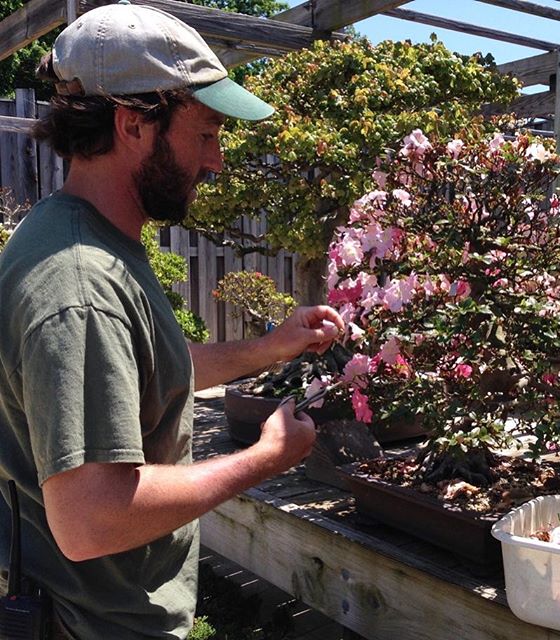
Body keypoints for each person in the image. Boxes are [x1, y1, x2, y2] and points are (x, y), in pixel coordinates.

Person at [0, 2, 344, 639]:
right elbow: (90, 520)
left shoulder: (84, 238)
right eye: (206, 133)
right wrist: (263, 460)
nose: (215, 160)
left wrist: (276, 344)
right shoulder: (80, 285)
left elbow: (144, 368)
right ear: (133, 124)